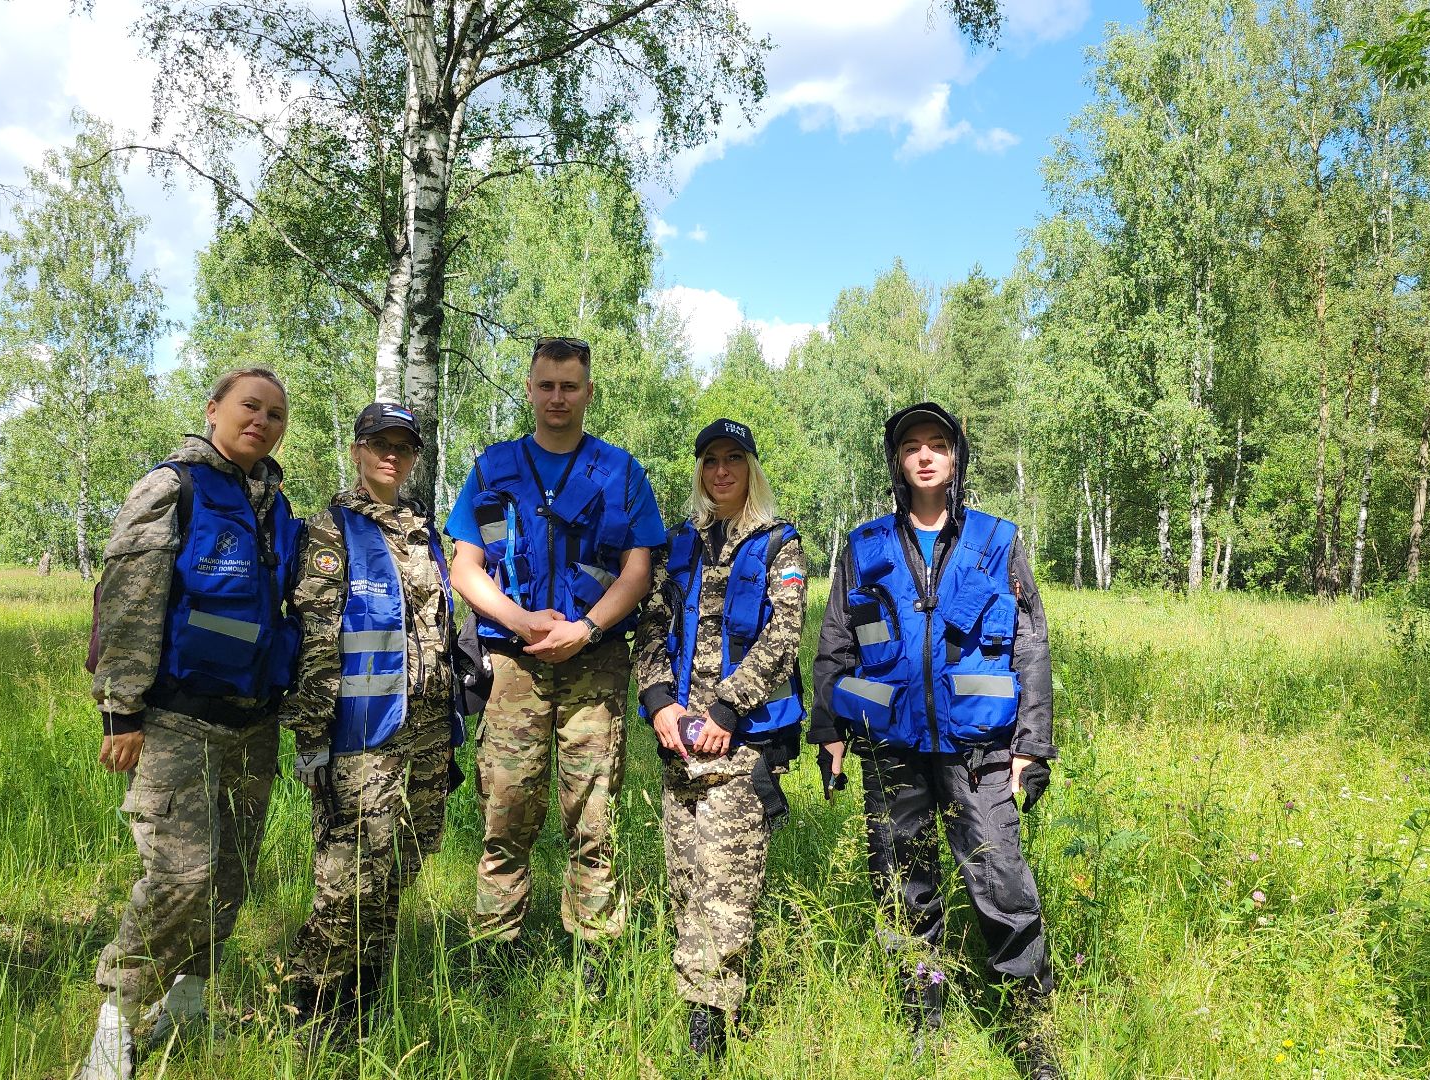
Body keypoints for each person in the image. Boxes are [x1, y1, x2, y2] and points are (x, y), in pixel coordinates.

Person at [810, 402, 1062, 1076]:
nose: (924, 456)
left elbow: (1030, 646)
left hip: (978, 751)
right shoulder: (864, 547)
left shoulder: (997, 540)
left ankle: (1034, 1031)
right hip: (891, 747)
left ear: (957, 459)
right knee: (903, 889)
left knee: (1002, 886)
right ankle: (927, 1020)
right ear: (896, 461)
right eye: (911, 446)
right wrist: (829, 731)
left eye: (937, 446)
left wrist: (1032, 743)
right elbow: (835, 643)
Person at [81, 368, 302, 1080]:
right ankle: (113, 1030)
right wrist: (121, 709)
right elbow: (129, 600)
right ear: (213, 410)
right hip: (178, 719)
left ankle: (188, 1001)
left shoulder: (277, 504)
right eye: (249, 407)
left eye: (274, 413)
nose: (262, 421)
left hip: (253, 721)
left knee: (231, 875)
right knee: (182, 873)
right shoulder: (172, 488)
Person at [445, 335, 667, 980]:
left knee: (593, 816)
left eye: (570, 386)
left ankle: (593, 960)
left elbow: (639, 567)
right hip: (513, 664)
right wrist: (519, 621)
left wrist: (588, 630)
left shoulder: (619, 471)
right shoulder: (493, 469)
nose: (557, 398)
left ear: (589, 392)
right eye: (546, 385)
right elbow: (466, 567)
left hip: (593, 665)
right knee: (506, 812)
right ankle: (494, 956)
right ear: (531, 388)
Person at [633, 418, 824, 1058]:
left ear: (751, 470)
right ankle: (696, 1007)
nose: (720, 471)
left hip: (738, 745)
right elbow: (652, 629)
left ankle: (713, 1030)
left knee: (726, 889)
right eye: (711, 461)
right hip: (680, 744)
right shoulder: (681, 544)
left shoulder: (779, 547)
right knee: (686, 882)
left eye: (733, 460)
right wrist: (660, 704)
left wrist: (725, 710)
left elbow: (782, 637)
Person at [279, 402, 459, 1031]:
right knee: (351, 868)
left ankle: (365, 987)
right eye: (379, 444)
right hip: (361, 727)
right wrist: (312, 737)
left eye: (403, 447)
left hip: (429, 725)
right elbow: (318, 634)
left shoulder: (424, 534)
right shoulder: (333, 529)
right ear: (357, 450)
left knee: (406, 856)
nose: (391, 455)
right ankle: (314, 1000)